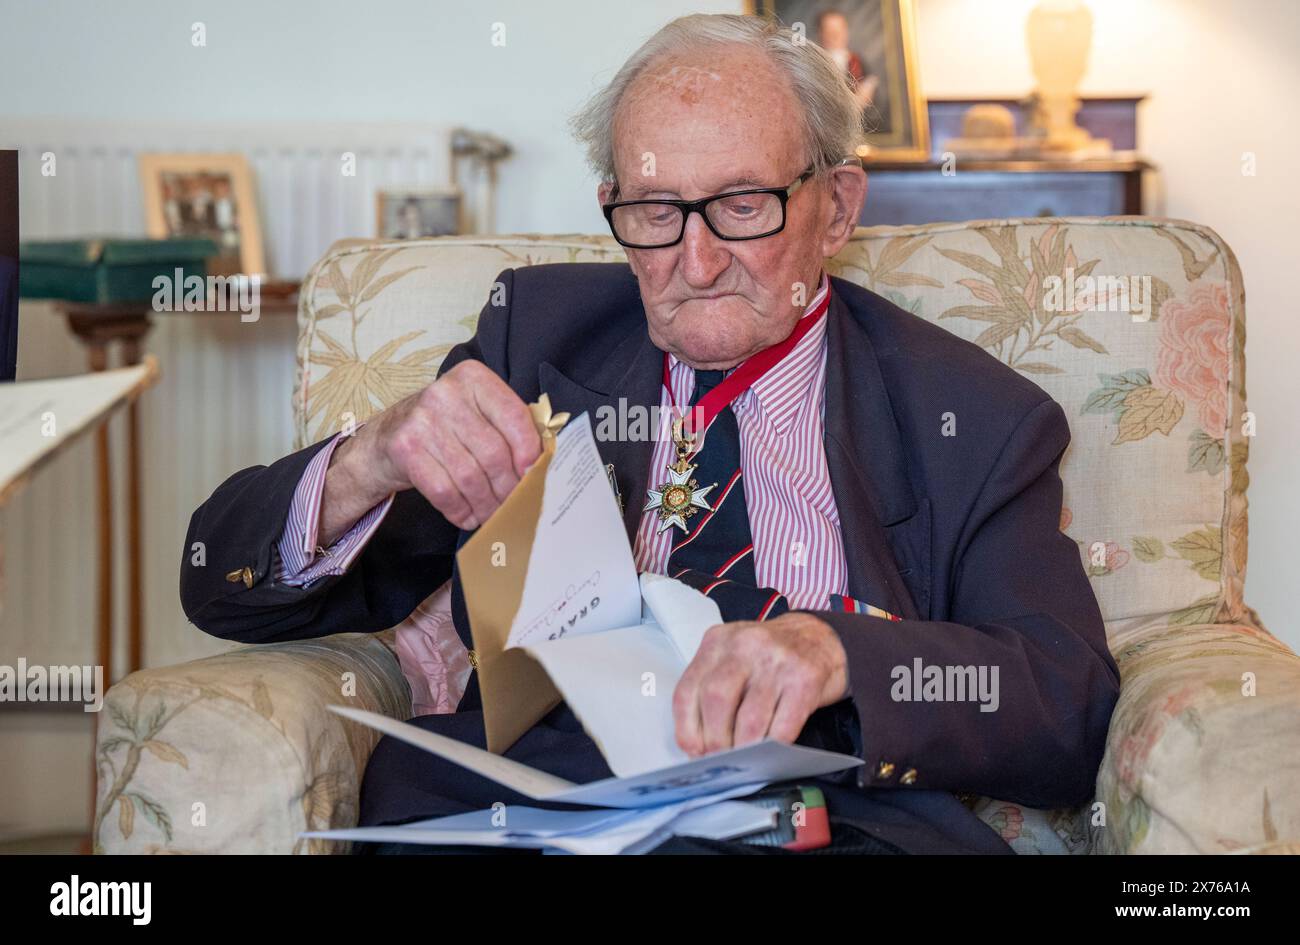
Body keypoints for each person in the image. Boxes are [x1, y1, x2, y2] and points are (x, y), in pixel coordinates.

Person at [181, 13, 1118, 854]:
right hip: (538, 810)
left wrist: (843, 654)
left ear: (836, 207)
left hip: (825, 824)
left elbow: (1065, 699)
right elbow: (216, 580)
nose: (696, 261)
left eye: (743, 204)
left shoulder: (970, 413)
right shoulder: (536, 340)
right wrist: (371, 458)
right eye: (656, 213)